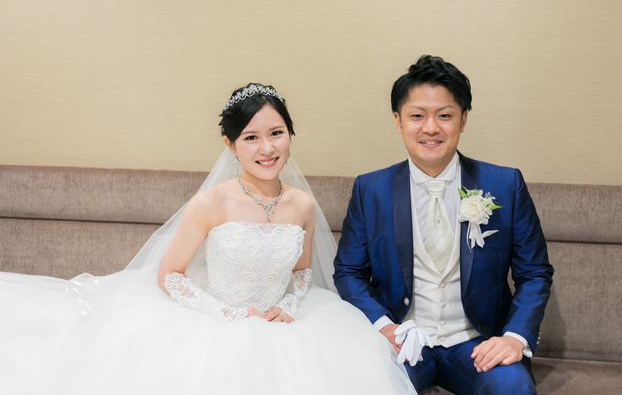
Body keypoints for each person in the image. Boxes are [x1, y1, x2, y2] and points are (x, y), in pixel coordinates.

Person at [0, 83, 417, 395]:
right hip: (214, 320)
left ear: (291, 134)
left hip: (281, 323)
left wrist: (287, 306)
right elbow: (171, 274)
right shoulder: (211, 202)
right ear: (230, 145)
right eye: (251, 138)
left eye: (276, 133)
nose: (267, 148)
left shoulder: (303, 204)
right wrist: (229, 315)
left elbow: (302, 272)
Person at [333, 56, 554, 395]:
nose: (431, 128)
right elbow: (349, 271)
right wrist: (383, 326)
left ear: (463, 120)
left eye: (445, 115)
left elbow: (535, 273)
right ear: (398, 120)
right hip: (404, 341)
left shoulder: (505, 184)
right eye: (417, 116)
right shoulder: (370, 190)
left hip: (477, 343)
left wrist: (514, 337)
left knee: (513, 389)